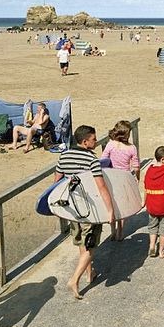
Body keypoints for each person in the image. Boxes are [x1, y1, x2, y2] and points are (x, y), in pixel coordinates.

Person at [54, 125, 114, 300]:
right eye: (93, 139)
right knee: (91, 245)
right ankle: (74, 279)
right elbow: (101, 187)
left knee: (82, 241)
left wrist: (56, 207)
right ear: (85, 141)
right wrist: (110, 210)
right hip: (89, 210)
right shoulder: (91, 160)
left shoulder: (64, 156)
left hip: (72, 209)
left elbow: (56, 182)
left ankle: (90, 273)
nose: (96, 141)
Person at [101, 120, 140, 241]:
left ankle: (112, 231)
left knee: (113, 204)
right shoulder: (131, 148)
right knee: (123, 206)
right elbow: (136, 167)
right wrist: (137, 178)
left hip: (111, 178)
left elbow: (103, 160)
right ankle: (120, 232)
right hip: (124, 178)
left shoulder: (110, 144)